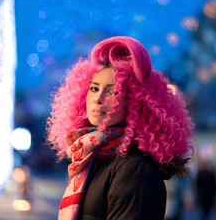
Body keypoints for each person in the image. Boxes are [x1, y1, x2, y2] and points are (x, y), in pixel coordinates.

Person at [46, 36, 194, 220]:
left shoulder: (135, 170)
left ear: (135, 101)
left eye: (113, 91)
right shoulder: (95, 158)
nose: (99, 98)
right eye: (94, 88)